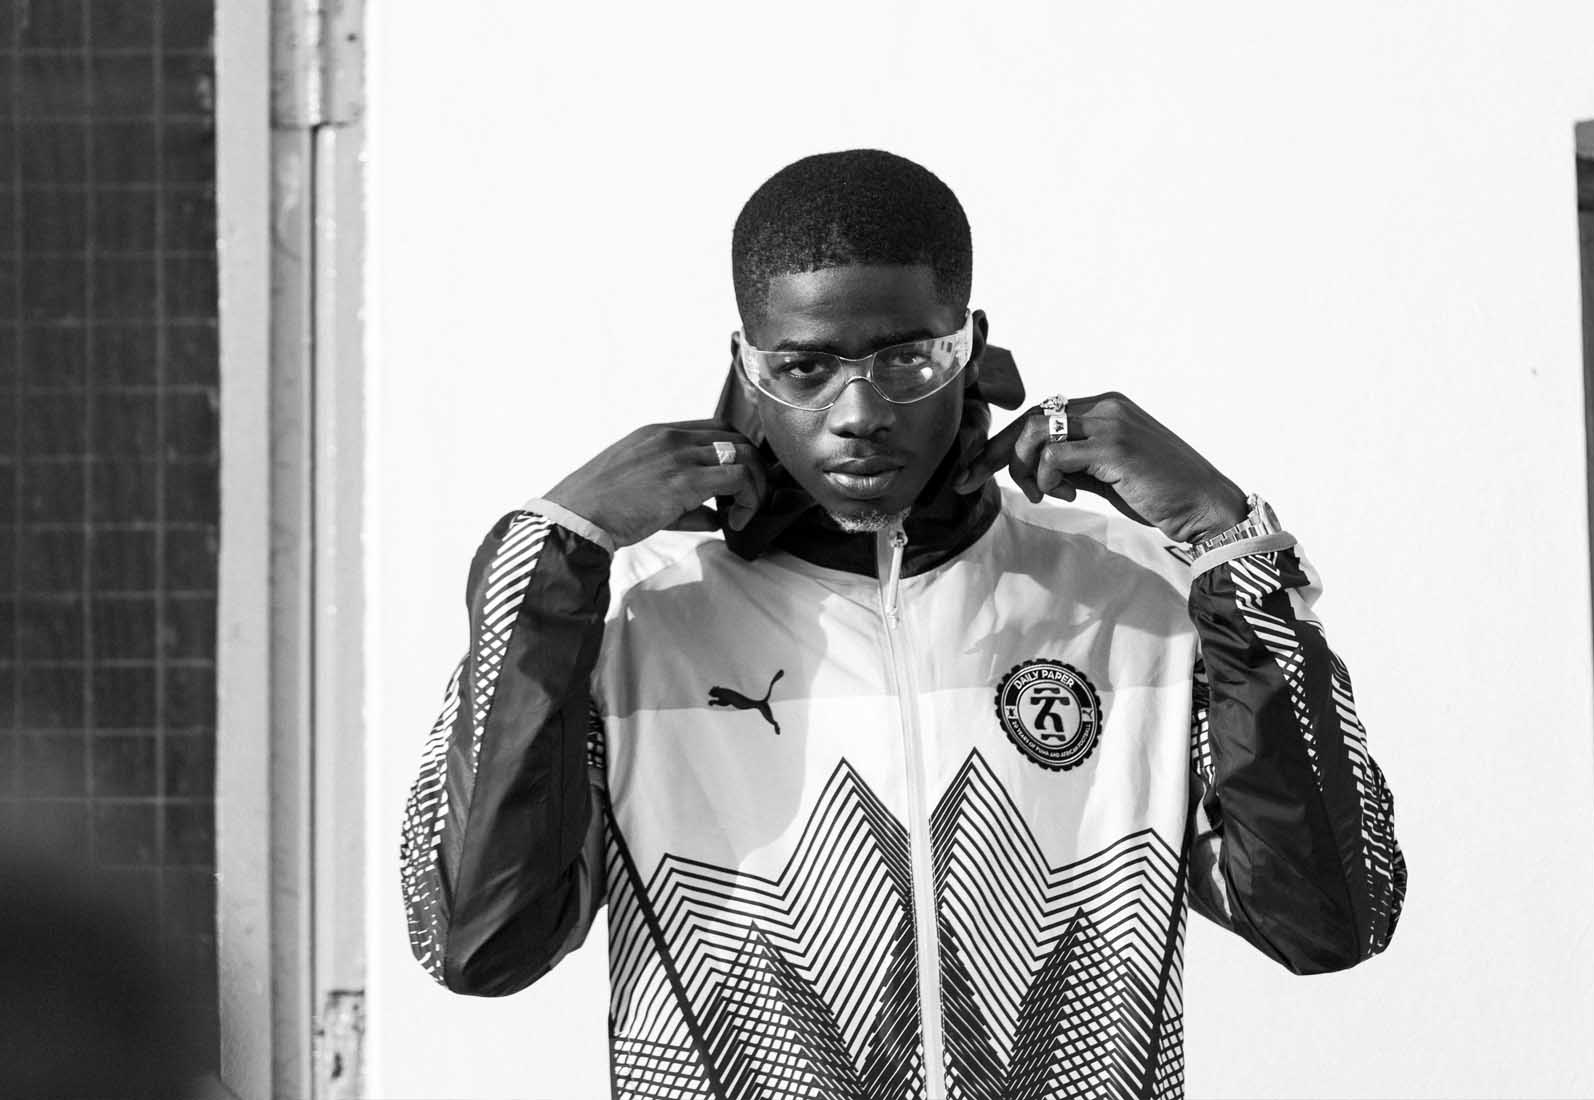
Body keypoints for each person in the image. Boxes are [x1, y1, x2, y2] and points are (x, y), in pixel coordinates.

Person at [401, 149, 1406, 1100]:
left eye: (909, 360)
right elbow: (478, 941)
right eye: (804, 368)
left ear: (968, 341)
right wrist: (545, 566)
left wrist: (1233, 546)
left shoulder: (1137, 596)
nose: (860, 412)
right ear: (746, 364)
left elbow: (1332, 918)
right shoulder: (630, 614)